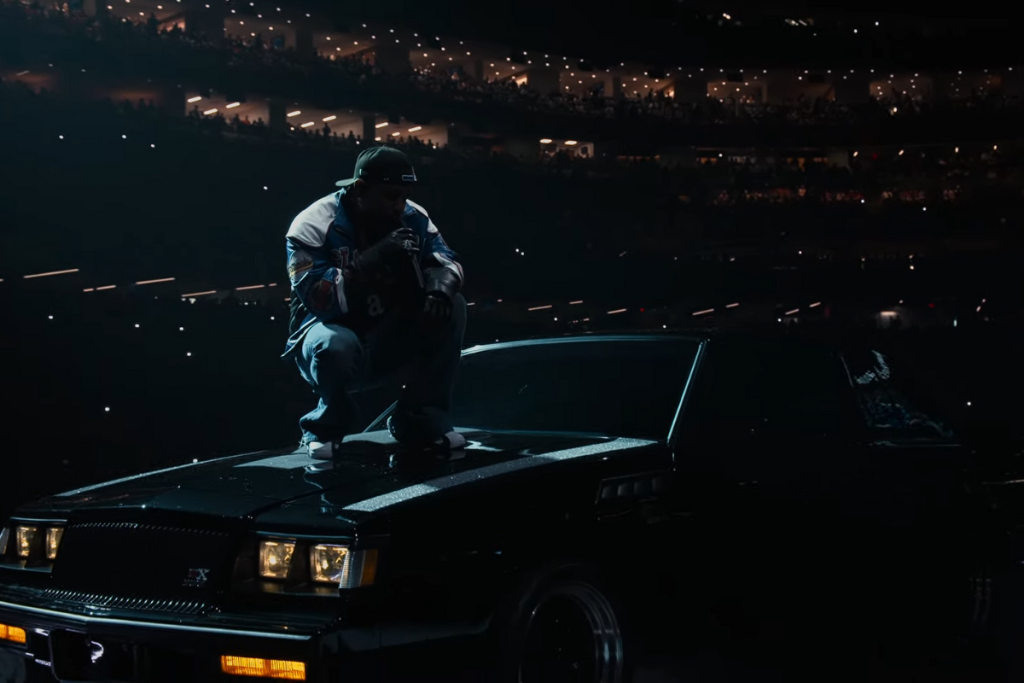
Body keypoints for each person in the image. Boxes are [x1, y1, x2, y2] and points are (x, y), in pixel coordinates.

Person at [283, 146, 467, 459]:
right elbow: (321, 300)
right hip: (328, 331)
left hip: (385, 332)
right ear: (360, 189)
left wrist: (439, 289)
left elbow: (448, 261)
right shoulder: (311, 224)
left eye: (404, 195)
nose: (399, 206)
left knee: (454, 305)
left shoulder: (413, 215)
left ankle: (420, 420)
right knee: (333, 343)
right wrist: (376, 256)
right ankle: (323, 428)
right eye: (390, 196)